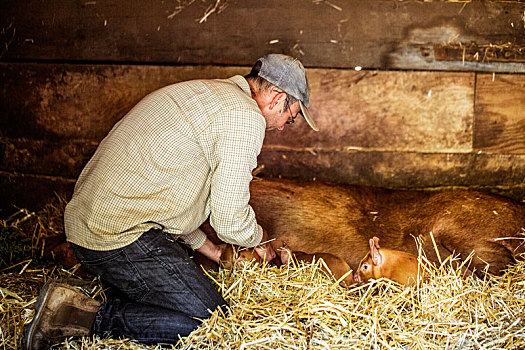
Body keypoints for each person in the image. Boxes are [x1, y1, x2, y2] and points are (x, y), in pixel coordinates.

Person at [23, 53, 318, 349]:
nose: (281, 127)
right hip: (115, 237)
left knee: (185, 299)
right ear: (278, 98)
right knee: (212, 322)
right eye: (289, 118)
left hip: (96, 224)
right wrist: (259, 238)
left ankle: (121, 298)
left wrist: (211, 249)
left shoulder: (211, 95)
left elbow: (165, 195)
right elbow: (229, 221)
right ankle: (77, 317)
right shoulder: (245, 117)